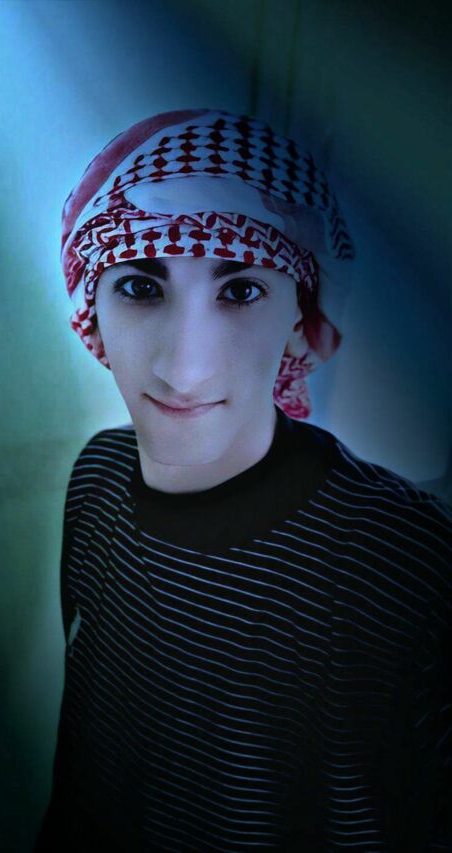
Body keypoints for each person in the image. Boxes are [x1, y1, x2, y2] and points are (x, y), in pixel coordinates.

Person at [35, 109, 452, 852]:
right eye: (140, 287)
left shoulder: (404, 557)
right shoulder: (96, 480)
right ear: (92, 309)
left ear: (300, 316)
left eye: (240, 291)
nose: (184, 366)